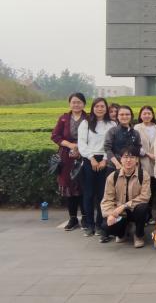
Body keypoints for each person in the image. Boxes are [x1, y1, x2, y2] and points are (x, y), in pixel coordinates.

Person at [78, 97, 116, 237]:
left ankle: (100, 224)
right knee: (88, 194)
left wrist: (105, 159)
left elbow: (111, 144)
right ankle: (89, 225)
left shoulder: (112, 124)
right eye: (97, 106)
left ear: (106, 108)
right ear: (93, 108)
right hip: (89, 160)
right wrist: (92, 159)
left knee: (102, 194)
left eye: (102, 106)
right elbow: (82, 143)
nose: (100, 109)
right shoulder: (85, 123)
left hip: (105, 161)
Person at [99, 146, 151, 247]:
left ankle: (138, 235)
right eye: (125, 157)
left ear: (137, 160)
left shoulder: (143, 175)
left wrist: (124, 206)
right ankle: (122, 233)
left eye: (132, 157)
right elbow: (107, 199)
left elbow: (145, 196)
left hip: (134, 210)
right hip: (120, 213)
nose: (128, 160)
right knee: (106, 226)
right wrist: (110, 215)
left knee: (143, 208)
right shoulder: (112, 177)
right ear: (121, 159)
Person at [51, 92, 87, 231]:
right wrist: (70, 145)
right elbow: (55, 136)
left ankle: (85, 217)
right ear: (70, 104)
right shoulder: (64, 118)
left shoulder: (89, 118)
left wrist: (80, 147)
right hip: (66, 157)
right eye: (74, 102)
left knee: (83, 186)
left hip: (84, 155)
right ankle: (73, 218)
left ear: (84, 104)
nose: (76, 104)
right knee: (69, 187)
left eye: (79, 102)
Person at [134, 106, 156, 223]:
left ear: (152, 115)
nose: (147, 116)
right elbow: (135, 146)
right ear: (140, 115)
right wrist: (148, 154)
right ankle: (144, 216)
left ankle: (149, 215)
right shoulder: (136, 128)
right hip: (142, 161)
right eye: (144, 113)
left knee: (153, 190)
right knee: (143, 190)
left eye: (149, 113)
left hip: (155, 163)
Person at [104, 106, 143, 171]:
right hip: (114, 167)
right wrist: (117, 164)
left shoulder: (136, 133)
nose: (124, 117)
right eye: (121, 114)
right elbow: (107, 149)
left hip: (132, 168)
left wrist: (136, 164)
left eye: (127, 114)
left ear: (131, 116)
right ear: (117, 116)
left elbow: (138, 149)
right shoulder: (112, 131)